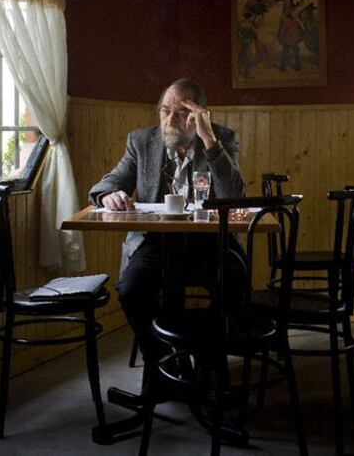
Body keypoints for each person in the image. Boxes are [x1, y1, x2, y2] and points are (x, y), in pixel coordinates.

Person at [89, 79, 246, 379]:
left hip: (208, 244)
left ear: (198, 114)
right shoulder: (142, 141)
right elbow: (110, 181)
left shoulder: (220, 138)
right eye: (164, 111)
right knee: (131, 290)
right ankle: (163, 363)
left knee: (235, 284)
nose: (169, 121)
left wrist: (210, 140)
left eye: (180, 112)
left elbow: (234, 196)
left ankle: (207, 357)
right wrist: (108, 194)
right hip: (155, 243)